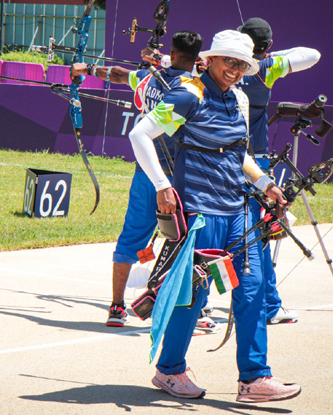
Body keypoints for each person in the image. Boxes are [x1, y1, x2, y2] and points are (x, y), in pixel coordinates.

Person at [128, 30, 301, 403]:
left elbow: (239, 154)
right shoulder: (190, 93)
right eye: (230, 62)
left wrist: (267, 183)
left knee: (251, 291)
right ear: (211, 60)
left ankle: (254, 379)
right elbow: (140, 134)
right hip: (200, 212)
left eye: (242, 65)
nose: (236, 70)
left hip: (237, 209)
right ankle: (169, 370)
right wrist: (160, 185)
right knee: (193, 294)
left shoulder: (239, 98)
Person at [71, 31, 218, 331]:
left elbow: (116, 73)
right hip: (182, 177)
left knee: (131, 237)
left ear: (173, 54)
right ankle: (197, 310)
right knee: (191, 241)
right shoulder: (195, 88)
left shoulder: (149, 78)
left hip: (147, 173)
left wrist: (84, 69)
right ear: (197, 57)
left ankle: (116, 307)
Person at [237, 17, 321, 324]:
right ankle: (269, 307)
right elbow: (312, 54)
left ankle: (201, 308)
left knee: (218, 231)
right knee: (258, 235)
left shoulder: (222, 67)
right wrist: (265, 58)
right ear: (269, 46)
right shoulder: (267, 68)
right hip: (254, 164)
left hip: (223, 159)